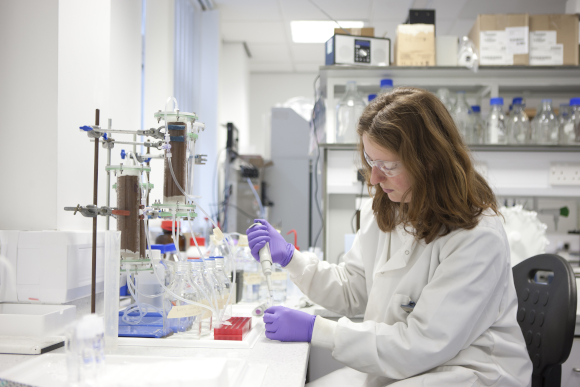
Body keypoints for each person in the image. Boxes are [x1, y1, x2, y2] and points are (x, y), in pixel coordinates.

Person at [246, 87, 532, 386]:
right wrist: (292, 259)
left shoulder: (477, 236)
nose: (375, 178)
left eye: (389, 166)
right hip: (402, 364)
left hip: (467, 371)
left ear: (430, 161)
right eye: (371, 161)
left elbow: (422, 343)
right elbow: (353, 290)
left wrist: (317, 330)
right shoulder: (390, 207)